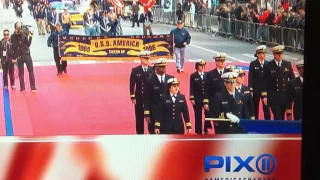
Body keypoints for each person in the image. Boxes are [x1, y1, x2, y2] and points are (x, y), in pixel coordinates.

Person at [262, 45, 295, 120]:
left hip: (284, 96)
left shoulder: (287, 64)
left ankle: (281, 131)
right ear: (274, 54)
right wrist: (264, 95)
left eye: (281, 53)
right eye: (278, 54)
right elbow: (264, 81)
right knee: (278, 116)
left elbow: (292, 79)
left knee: (282, 117)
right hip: (274, 96)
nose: (280, 55)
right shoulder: (268, 65)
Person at [143, 58, 174, 134]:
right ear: (156, 68)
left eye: (164, 67)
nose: (163, 68)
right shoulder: (149, 80)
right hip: (154, 112)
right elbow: (146, 98)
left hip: (167, 111)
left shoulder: (171, 79)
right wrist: (147, 113)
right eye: (161, 67)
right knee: (154, 133)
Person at [129, 51, 153, 134]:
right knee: (139, 118)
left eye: (148, 58)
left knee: (150, 117)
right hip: (139, 98)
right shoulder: (135, 70)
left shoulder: (152, 70)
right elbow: (132, 83)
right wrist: (132, 96)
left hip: (149, 99)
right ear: (141, 59)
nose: (147, 60)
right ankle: (140, 135)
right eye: (145, 58)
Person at [11, 22, 37, 92]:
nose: (19, 29)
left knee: (30, 71)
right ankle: (23, 88)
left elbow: (28, 44)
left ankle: (32, 87)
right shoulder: (13, 36)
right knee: (21, 73)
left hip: (26, 55)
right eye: (18, 27)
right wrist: (14, 57)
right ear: (15, 28)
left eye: (20, 27)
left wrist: (30, 36)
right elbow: (13, 47)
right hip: (20, 56)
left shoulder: (23, 34)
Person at [203, 53, 227, 134]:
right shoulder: (210, 74)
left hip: (226, 100)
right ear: (216, 62)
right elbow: (207, 89)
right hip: (214, 101)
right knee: (217, 121)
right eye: (220, 61)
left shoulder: (229, 73)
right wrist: (206, 101)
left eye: (224, 61)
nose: (223, 62)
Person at [248, 45, 271, 120]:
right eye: (262, 53)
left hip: (266, 90)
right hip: (256, 89)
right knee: (255, 108)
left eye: (265, 53)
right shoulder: (253, 64)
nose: (264, 54)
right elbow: (251, 77)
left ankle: (268, 123)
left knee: (266, 108)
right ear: (257, 54)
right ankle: (256, 122)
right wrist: (250, 89)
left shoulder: (268, 64)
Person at [189, 59, 207, 134]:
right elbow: (191, 87)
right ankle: (198, 131)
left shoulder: (207, 75)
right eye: (200, 66)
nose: (202, 67)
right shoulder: (193, 76)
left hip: (205, 98)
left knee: (208, 114)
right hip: (197, 98)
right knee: (198, 115)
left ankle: (206, 128)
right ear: (197, 66)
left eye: (203, 66)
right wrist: (192, 98)